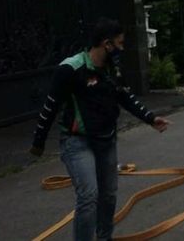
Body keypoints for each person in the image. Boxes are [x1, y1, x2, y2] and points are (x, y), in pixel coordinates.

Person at [30, 18, 170, 241]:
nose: (122, 49)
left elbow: (125, 96)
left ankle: (104, 237)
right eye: (120, 43)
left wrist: (150, 118)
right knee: (88, 195)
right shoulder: (71, 69)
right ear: (107, 44)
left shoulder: (111, 69)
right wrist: (38, 142)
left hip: (106, 140)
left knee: (109, 196)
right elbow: (50, 106)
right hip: (77, 142)